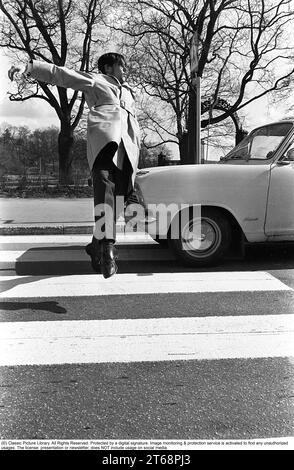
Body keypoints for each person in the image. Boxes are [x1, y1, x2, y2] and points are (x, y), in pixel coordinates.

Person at [8, 53, 141, 278]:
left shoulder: (129, 92)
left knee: (120, 197)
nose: (125, 71)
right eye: (122, 66)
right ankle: (108, 246)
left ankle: (95, 245)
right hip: (105, 140)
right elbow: (62, 75)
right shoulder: (97, 81)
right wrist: (29, 67)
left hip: (128, 148)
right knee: (104, 190)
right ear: (108, 68)